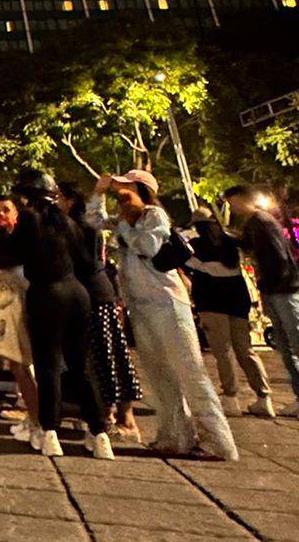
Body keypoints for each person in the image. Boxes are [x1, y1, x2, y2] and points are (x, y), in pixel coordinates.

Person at [88, 171, 237, 460]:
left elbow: (148, 246)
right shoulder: (124, 219)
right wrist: (98, 194)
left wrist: (124, 227)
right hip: (141, 307)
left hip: (168, 305)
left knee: (191, 373)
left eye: (125, 187)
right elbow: (92, 222)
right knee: (159, 376)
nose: (120, 192)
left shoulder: (154, 215)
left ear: (141, 188)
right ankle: (174, 436)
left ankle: (219, 442)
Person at [0, 170, 111, 459]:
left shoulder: (30, 219)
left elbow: (10, 255)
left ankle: (50, 433)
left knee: (48, 367)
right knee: (79, 368)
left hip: (47, 294)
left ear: (25, 196)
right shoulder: (68, 222)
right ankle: (100, 434)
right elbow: (86, 260)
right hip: (78, 295)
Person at [58, 181, 142, 443]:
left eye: (59, 198)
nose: (56, 204)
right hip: (96, 294)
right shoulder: (79, 226)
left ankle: (115, 418)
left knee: (103, 357)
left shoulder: (79, 227)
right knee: (108, 355)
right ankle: (113, 415)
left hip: (94, 296)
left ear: (71, 201)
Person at [181, 203, 274, 419]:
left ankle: (231, 397)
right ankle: (263, 397)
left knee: (223, 350)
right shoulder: (231, 241)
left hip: (211, 299)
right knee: (245, 349)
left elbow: (187, 265)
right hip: (237, 298)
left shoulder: (195, 245)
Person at [224, 185, 299, 418]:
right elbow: (246, 244)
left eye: (232, 202)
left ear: (244, 199)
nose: (231, 207)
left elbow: (280, 256)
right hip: (276, 289)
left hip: (283, 290)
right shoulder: (255, 223)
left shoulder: (262, 221)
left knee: (293, 342)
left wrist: (273, 284)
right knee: (286, 346)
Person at [0, 195, 40, 440]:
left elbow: (9, 262)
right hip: (7, 303)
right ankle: (29, 411)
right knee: (15, 360)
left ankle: (32, 414)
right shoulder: (2, 237)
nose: (1, 215)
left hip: (26, 304)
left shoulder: (24, 238)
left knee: (24, 362)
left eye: (6, 210)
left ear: (17, 213)